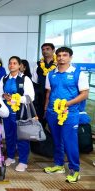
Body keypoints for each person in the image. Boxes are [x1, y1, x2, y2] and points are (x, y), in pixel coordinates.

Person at [43, 47, 89, 183]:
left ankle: (75, 170)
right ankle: (58, 165)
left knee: (70, 142)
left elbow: (84, 94)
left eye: (65, 55)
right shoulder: (51, 74)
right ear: (56, 57)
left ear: (70, 57)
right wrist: (46, 109)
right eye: (59, 55)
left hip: (69, 113)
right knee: (57, 140)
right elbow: (48, 93)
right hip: (52, 113)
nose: (61, 57)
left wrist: (68, 103)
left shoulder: (78, 74)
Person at [0, 56, 34, 172]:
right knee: (9, 135)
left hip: (20, 112)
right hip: (7, 112)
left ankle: (23, 161)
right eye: (10, 63)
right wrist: (4, 96)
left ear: (19, 66)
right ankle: (11, 157)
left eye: (14, 63)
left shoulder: (25, 79)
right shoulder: (4, 78)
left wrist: (15, 98)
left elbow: (30, 97)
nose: (11, 65)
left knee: (22, 137)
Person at [32, 43, 57, 128]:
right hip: (40, 95)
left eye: (48, 49)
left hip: (55, 94)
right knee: (40, 118)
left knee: (54, 120)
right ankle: (40, 138)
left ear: (53, 50)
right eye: (43, 49)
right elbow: (35, 80)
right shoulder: (38, 64)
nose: (45, 51)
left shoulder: (58, 63)